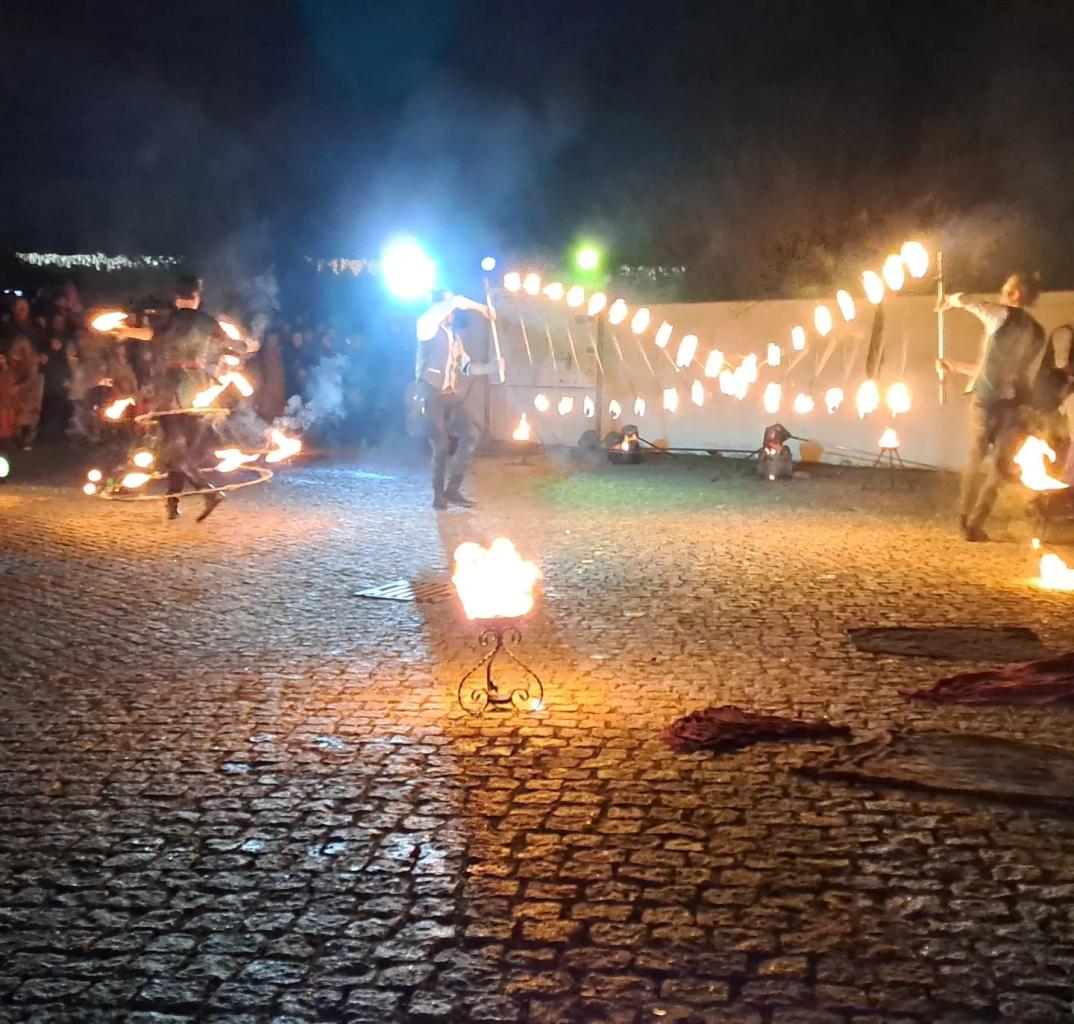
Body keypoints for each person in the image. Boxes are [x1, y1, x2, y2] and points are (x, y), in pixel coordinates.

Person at [111, 275, 236, 522]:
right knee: (180, 448)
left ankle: (208, 492)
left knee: (175, 448)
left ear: (177, 298)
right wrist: (246, 346)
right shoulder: (208, 321)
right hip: (198, 388)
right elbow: (230, 345)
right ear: (196, 296)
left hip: (171, 387)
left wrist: (124, 330)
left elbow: (149, 334)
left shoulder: (169, 319)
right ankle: (172, 500)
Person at [938, 272, 1046, 541]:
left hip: (986, 402)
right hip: (1015, 405)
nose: (1000, 292)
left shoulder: (1002, 315)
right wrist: (955, 366)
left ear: (1015, 294)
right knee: (999, 466)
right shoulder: (1038, 333)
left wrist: (949, 300)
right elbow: (1000, 369)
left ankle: (964, 517)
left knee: (976, 457)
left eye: (1005, 288)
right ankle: (975, 523)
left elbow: (971, 301)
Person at [415, 292, 502, 510]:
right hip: (430, 392)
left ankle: (452, 490)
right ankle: (438, 496)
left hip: (449, 394)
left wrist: (492, 367)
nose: (452, 313)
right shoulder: (426, 324)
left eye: (453, 311)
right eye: (449, 309)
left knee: (471, 434)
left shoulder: (454, 338)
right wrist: (483, 309)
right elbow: (455, 301)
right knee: (441, 446)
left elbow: (467, 367)